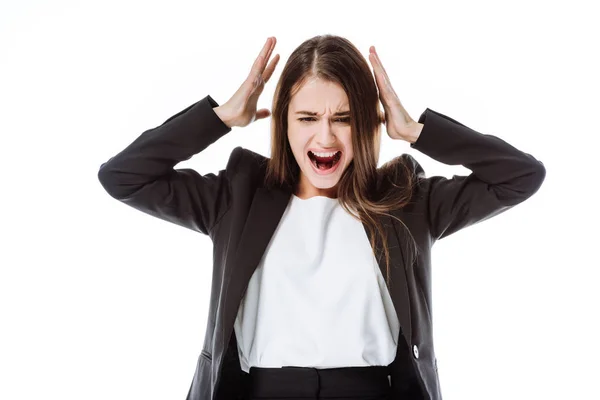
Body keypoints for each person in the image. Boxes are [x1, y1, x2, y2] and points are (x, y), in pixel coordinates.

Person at [97, 35, 546, 400]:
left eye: (345, 118)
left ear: (368, 124)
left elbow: (520, 177)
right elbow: (123, 177)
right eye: (307, 117)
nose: (325, 136)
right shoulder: (237, 195)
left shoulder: (406, 199)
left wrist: (416, 131)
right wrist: (219, 118)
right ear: (284, 124)